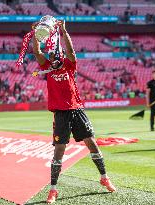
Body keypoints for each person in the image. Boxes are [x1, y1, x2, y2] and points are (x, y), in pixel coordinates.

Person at [32, 20, 116, 204]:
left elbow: (71, 51)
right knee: (59, 151)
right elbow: (37, 52)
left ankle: (104, 178)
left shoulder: (69, 66)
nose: (52, 58)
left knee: (92, 143)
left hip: (77, 110)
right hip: (60, 114)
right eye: (51, 55)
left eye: (55, 55)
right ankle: (53, 190)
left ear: (61, 56)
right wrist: (35, 35)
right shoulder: (47, 69)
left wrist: (63, 31)